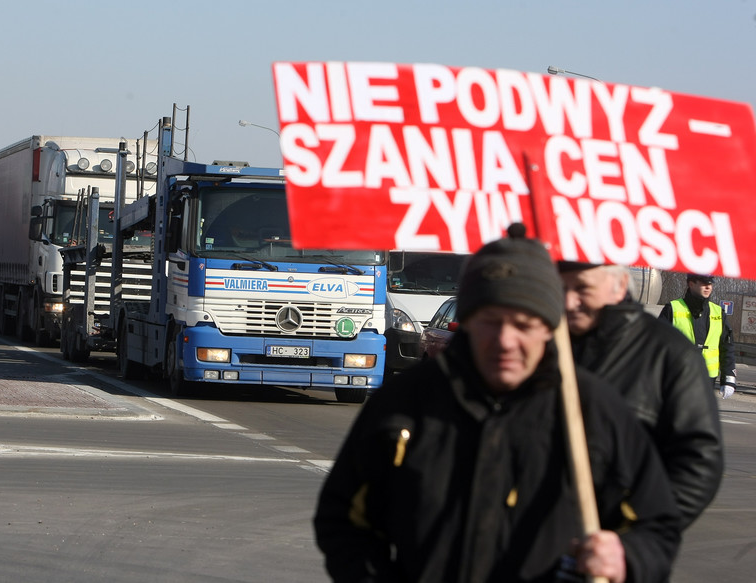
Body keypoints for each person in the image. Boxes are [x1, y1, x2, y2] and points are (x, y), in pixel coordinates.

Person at [314, 226, 681, 583]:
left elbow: (656, 527)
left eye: (523, 323)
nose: (506, 340)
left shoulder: (594, 412)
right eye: (491, 321)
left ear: (548, 327)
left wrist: (628, 557)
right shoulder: (406, 403)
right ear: (468, 322)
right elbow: (343, 521)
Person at [559, 263, 723, 531]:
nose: (568, 300)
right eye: (561, 287)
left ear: (620, 285)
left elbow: (698, 465)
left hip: (613, 543)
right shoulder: (535, 344)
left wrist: (640, 535)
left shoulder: (670, 356)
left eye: (582, 288)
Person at [658, 273, 737, 399]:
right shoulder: (672, 309)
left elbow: (727, 347)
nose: (708, 287)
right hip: (678, 375)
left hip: (707, 379)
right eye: (704, 283)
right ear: (691, 284)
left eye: (710, 283)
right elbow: (658, 344)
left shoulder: (718, 312)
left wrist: (728, 378)